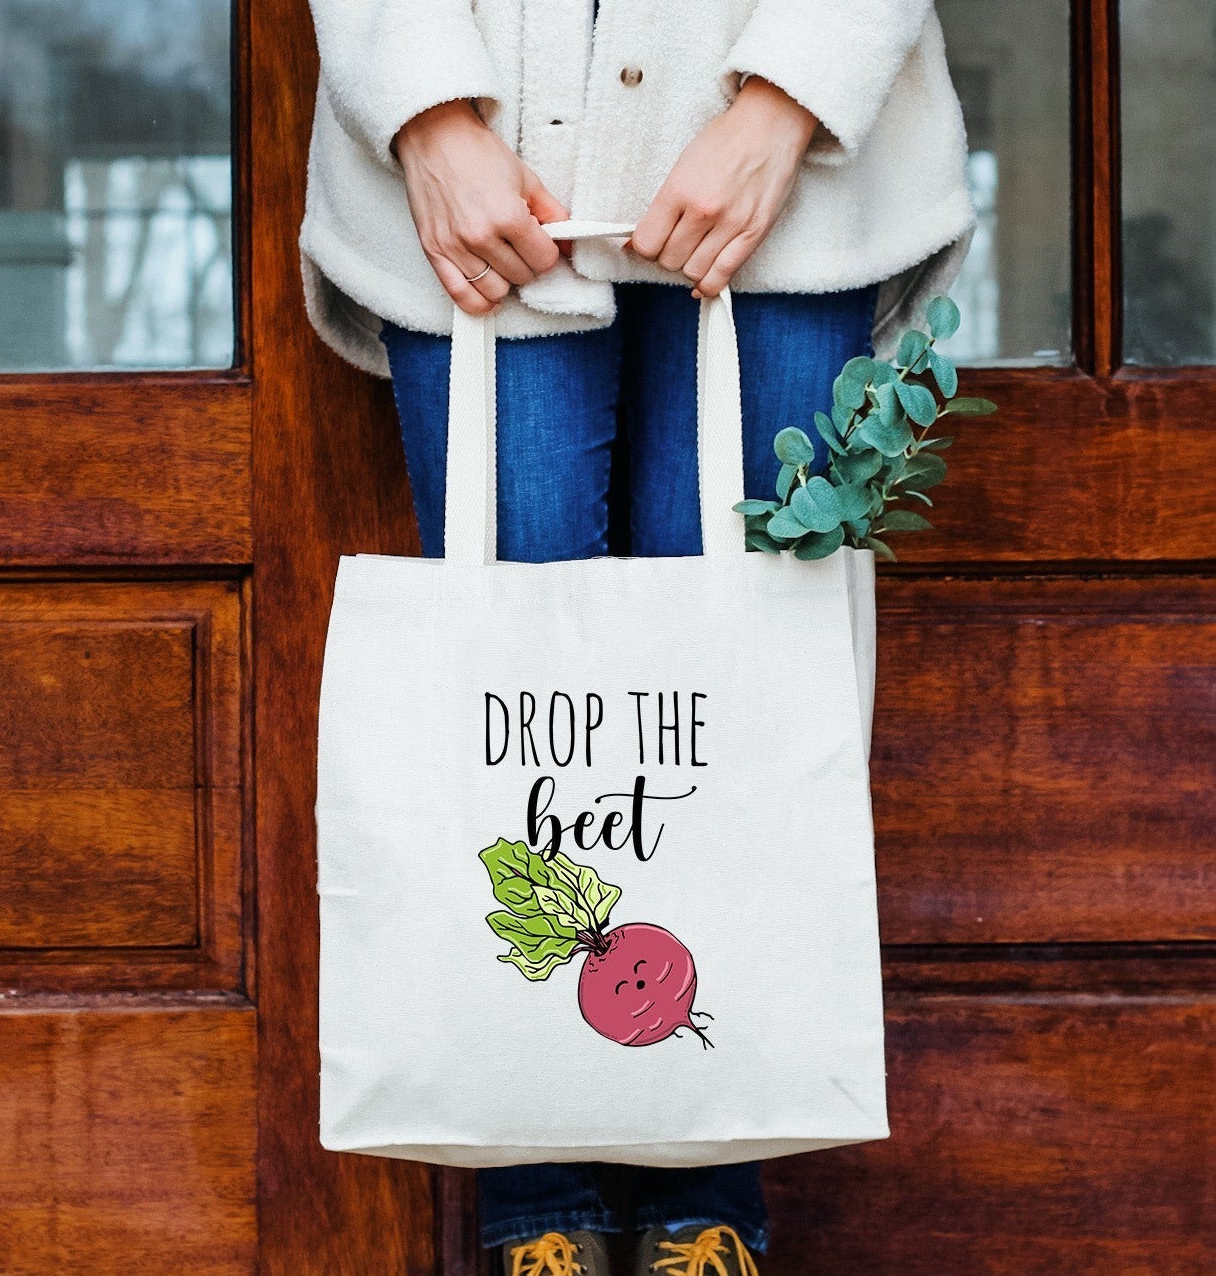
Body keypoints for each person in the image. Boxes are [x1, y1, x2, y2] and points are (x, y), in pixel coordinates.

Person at [300, 2, 973, 1273]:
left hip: (791, 169)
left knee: (727, 703)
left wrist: (789, 100)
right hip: (476, 157)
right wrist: (428, 116)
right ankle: (533, 1210)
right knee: (518, 725)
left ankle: (706, 1207)